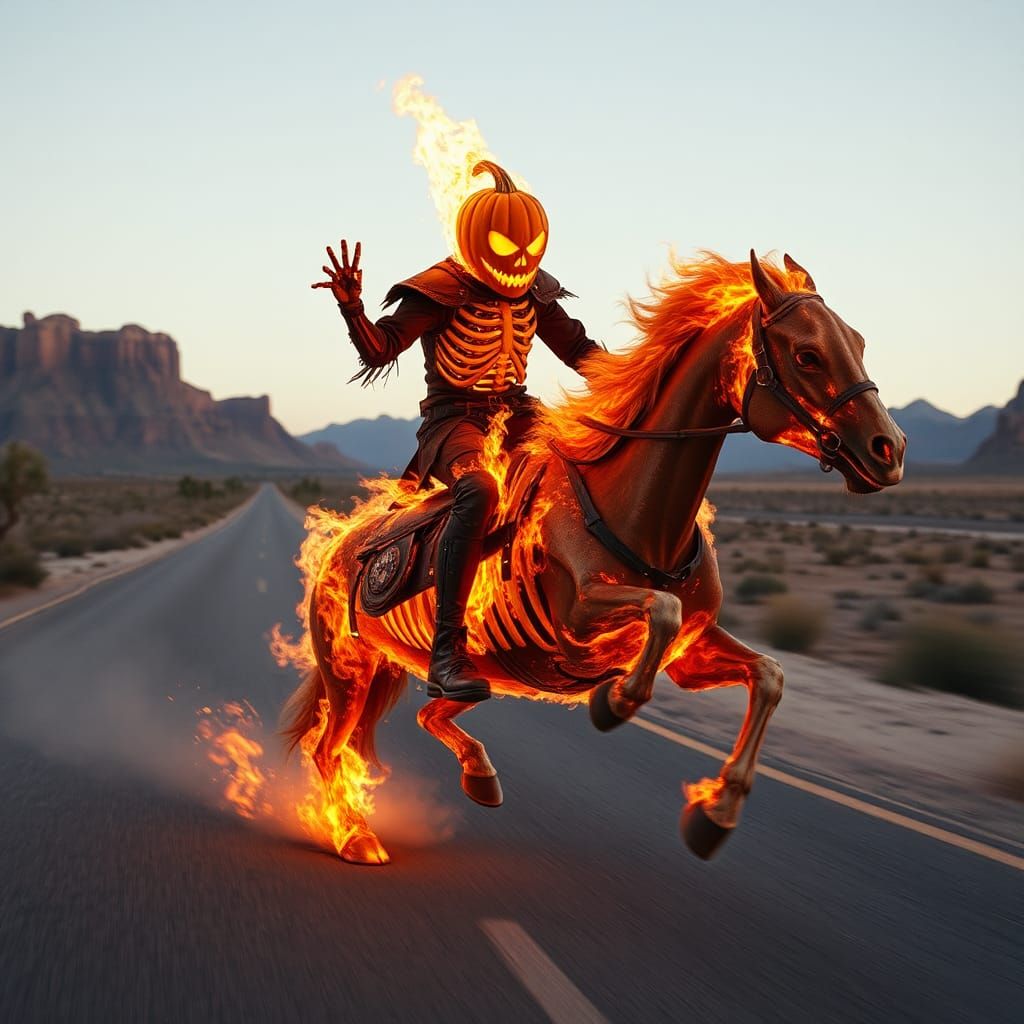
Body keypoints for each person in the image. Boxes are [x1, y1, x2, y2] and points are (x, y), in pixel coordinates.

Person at [313, 161, 600, 703]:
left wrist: (655, 376)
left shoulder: (536, 292)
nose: (519, 257)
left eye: (531, 245)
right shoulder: (440, 289)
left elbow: (583, 354)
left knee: (586, 462)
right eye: (505, 243)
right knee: (480, 490)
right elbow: (380, 350)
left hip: (519, 412)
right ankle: (447, 652)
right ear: (474, 238)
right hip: (455, 419)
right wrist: (352, 308)